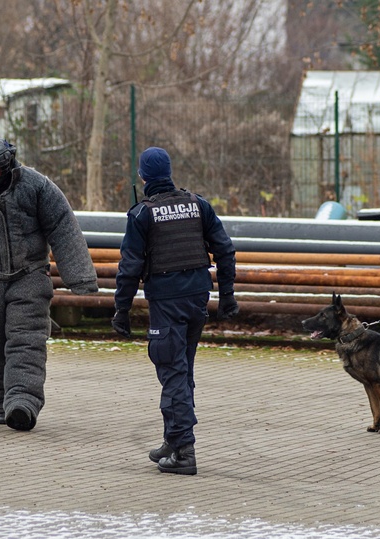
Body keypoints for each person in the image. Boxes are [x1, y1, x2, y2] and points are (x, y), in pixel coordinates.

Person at [0, 137, 98, 431]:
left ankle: (23, 401)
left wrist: (81, 278)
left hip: (30, 277)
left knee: (26, 342)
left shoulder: (37, 186)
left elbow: (64, 227)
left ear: (10, 162)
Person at [112, 146, 239, 475]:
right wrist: (227, 296)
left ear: (142, 176)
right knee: (182, 372)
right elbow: (224, 249)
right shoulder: (198, 205)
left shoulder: (143, 214)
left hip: (167, 302)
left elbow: (129, 268)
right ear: (168, 173)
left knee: (172, 374)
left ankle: (184, 452)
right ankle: (173, 439)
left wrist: (121, 311)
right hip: (198, 299)